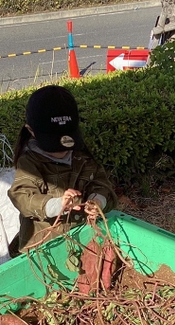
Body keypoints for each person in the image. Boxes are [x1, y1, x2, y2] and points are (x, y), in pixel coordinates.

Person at [8, 85, 117, 253]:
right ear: (31, 131)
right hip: (44, 246)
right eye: (52, 144)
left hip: (82, 237)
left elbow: (101, 183)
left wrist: (98, 201)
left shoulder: (82, 157)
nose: (62, 151)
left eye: (66, 143)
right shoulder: (30, 163)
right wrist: (57, 205)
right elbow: (22, 197)